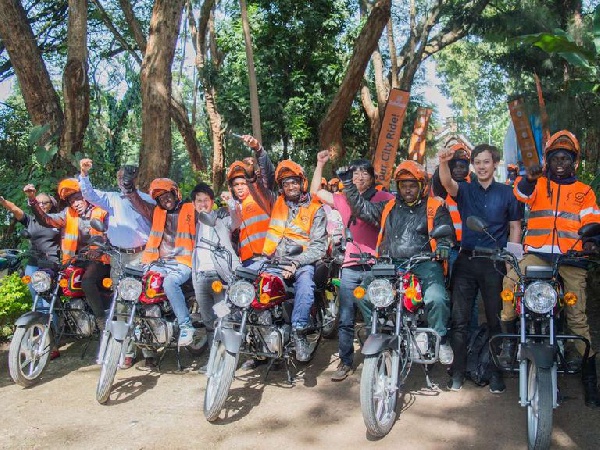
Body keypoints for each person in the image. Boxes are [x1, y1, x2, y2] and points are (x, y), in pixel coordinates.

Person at [506, 130, 600, 407]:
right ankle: (511, 339)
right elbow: (520, 193)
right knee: (511, 281)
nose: (560, 162)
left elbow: (592, 221)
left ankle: (589, 377)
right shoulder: (538, 184)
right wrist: (530, 177)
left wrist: (592, 242)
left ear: (574, 162)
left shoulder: (584, 191)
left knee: (577, 317)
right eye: (555, 157)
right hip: (537, 255)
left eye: (565, 157)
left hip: (570, 259)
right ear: (547, 160)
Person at [339, 160, 456, 367]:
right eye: (403, 185)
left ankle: (441, 339)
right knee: (363, 294)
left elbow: (446, 231)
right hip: (389, 263)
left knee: (436, 298)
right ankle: (379, 328)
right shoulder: (389, 206)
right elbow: (362, 209)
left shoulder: (435, 206)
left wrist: (444, 245)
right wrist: (348, 183)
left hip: (424, 263)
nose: (407, 189)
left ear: (422, 186)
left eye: (412, 185)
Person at [438, 144, 522, 394]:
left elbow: (515, 228)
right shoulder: (464, 189)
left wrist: (512, 261)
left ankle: (496, 373)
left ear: (495, 163)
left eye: (486, 162)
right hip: (466, 260)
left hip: (495, 263)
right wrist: (444, 162)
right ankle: (459, 371)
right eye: (478, 162)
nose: (482, 167)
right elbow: (447, 184)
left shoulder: (508, 193)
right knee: (460, 319)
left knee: (497, 319)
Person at [311, 149, 394, 381]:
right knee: (346, 317)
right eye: (354, 173)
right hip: (350, 264)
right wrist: (319, 164)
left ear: (372, 177)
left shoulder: (385, 199)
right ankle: (345, 362)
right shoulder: (343, 198)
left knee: (375, 315)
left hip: (376, 266)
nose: (359, 177)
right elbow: (316, 191)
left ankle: (376, 360)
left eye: (364, 173)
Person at [246, 146, 328, 362]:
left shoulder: (315, 208)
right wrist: (258, 154)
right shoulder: (276, 201)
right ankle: (247, 332)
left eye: (293, 181)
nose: (290, 186)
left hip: (302, 262)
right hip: (272, 259)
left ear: (302, 183)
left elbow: (319, 246)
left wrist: (297, 263)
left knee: (306, 283)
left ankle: (299, 331)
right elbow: (261, 185)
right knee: (242, 276)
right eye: (285, 183)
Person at [78, 158, 155, 368]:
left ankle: (148, 350)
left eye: (127, 177)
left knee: (141, 302)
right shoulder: (111, 198)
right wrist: (84, 174)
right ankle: (127, 352)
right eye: (120, 177)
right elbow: (89, 194)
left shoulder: (146, 199)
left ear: (135, 179)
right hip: (119, 257)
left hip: (141, 256)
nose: (123, 180)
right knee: (120, 305)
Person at [24, 179, 111, 332]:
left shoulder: (102, 211)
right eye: (71, 201)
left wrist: (100, 250)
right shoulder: (67, 214)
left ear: (85, 197)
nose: (75, 203)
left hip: (100, 260)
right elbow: (47, 220)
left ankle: (100, 319)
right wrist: (32, 201)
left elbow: (113, 236)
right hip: (75, 260)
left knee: (87, 282)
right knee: (52, 284)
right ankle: (64, 320)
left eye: (78, 198)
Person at [190, 182, 241, 373]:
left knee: (224, 318)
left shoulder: (221, 218)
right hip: (201, 277)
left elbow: (236, 222)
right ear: (194, 203)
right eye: (199, 201)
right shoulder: (192, 223)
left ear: (212, 202)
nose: (202, 204)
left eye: (206, 200)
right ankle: (213, 361)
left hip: (220, 278)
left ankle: (228, 363)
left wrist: (232, 204)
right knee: (209, 322)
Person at [141, 178, 196, 348]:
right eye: (161, 198)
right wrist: (128, 187)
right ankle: (142, 324)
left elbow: (208, 212)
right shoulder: (157, 212)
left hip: (183, 262)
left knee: (170, 283)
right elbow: (136, 201)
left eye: (167, 195)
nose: (165, 200)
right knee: (137, 282)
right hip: (160, 262)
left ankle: (186, 326)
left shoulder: (191, 208)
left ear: (175, 193)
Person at [225, 160, 270, 265]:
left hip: (267, 255)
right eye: (236, 185)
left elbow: (267, 177)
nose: (239, 188)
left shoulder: (260, 198)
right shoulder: (235, 206)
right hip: (247, 259)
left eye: (243, 184)